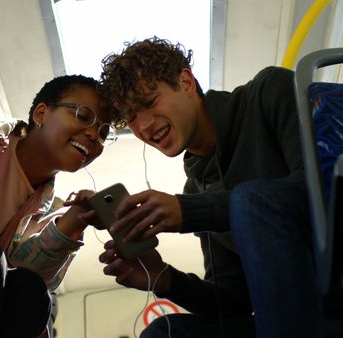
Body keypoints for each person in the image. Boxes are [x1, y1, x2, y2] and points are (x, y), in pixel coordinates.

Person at [94, 37, 323, 338]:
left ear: (186, 82)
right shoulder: (195, 191)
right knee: (164, 333)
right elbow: (235, 302)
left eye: (149, 103)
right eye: (131, 119)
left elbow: (322, 188)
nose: (144, 127)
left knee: (251, 199)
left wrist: (193, 212)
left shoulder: (268, 92)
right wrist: (164, 278)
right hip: (279, 314)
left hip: (329, 293)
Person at [0, 74, 117, 338]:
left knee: (33, 292)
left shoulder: (50, 212)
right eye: (84, 116)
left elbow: (29, 287)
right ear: (41, 113)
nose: (95, 135)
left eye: (105, 132)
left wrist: (75, 221)